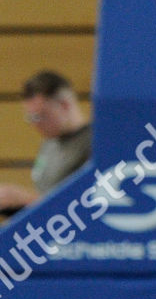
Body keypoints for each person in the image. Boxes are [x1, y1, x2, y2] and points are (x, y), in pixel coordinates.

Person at [0, 71, 92, 217]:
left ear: (65, 105)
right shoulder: (50, 142)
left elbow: (87, 204)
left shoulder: (94, 145)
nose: (35, 125)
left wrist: (27, 200)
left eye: (41, 116)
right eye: (31, 118)